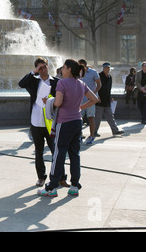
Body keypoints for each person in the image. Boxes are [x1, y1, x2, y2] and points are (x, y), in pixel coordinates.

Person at [38, 59, 98, 197]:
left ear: (70, 69)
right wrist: (81, 107)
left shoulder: (62, 83)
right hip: (77, 122)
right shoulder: (81, 84)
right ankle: (75, 185)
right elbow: (94, 99)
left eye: (64, 67)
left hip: (64, 123)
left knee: (58, 154)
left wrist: (49, 101)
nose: (62, 70)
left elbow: (58, 102)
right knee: (74, 155)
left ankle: (51, 187)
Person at [18, 57, 69, 187]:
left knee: (56, 151)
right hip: (36, 121)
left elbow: (64, 99)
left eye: (44, 67)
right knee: (39, 151)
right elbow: (21, 84)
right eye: (40, 68)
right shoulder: (34, 82)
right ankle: (41, 177)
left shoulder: (57, 82)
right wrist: (33, 72)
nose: (43, 70)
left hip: (51, 122)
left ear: (48, 66)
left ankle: (61, 177)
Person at [94, 62, 124, 137]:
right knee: (97, 118)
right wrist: (97, 96)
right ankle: (94, 132)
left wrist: (110, 97)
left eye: (108, 68)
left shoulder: (110, 77)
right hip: (99, 101)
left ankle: (115, 131)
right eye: (106, 68)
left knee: (110, 117)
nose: (107, 69)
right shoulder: (99, 76)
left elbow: (108, 89)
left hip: (107, 100)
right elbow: (95, 87)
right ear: (103, 68)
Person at [78, 59, 101, 145]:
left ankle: (92, 136)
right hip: (80, 98)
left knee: (91, 117)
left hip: (90, 99)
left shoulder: (93, 72)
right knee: (79, 118)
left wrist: (94, 94)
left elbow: (99, 84)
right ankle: (79, 135)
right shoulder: (78, 72)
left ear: (85, 65)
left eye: (81, 66)